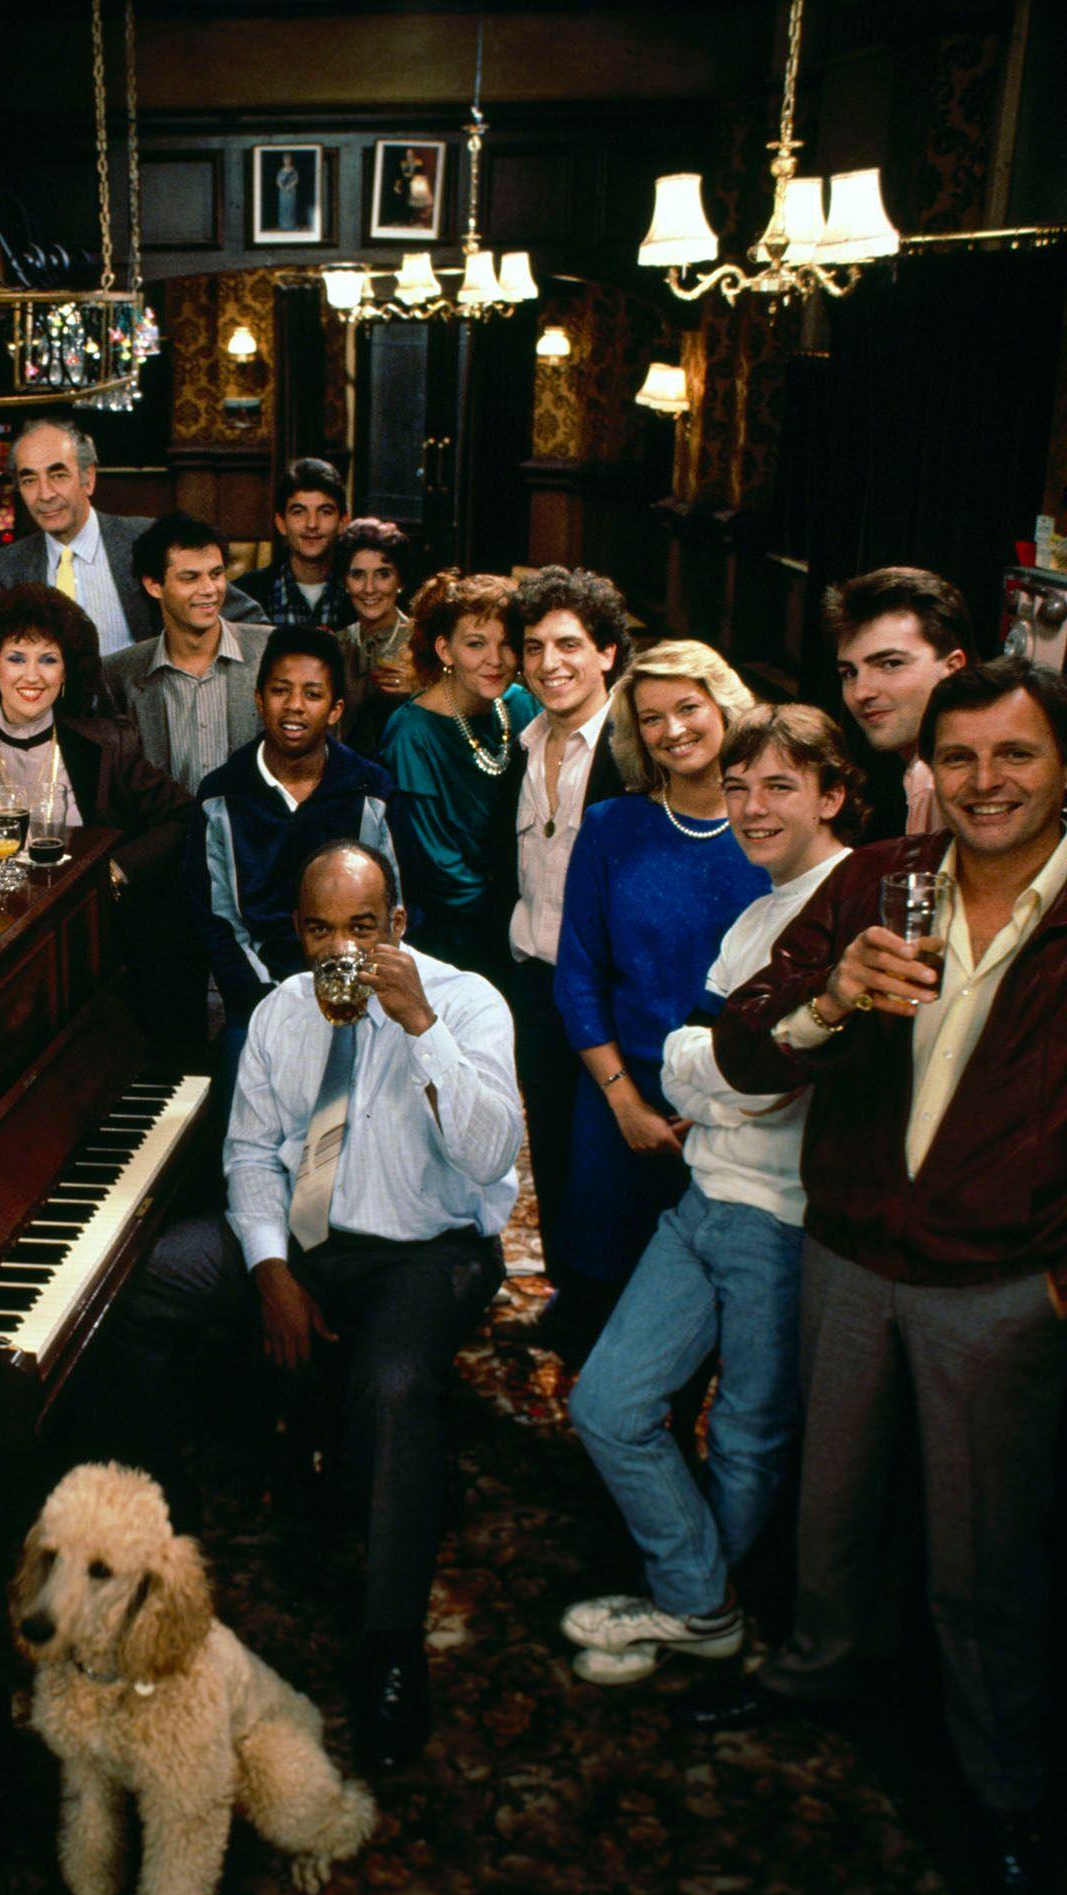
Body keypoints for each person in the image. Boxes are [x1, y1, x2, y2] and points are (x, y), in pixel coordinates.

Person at [689, 657, 1067, 1895]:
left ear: (1062, 765)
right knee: (832, 1506)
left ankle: (1004, 1791)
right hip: (850, 1249)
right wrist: (833, 999)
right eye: (958, 759)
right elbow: (745, 1041)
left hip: (1004, 1284)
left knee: (983, 1557)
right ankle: (815, 1681)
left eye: (1014, 755)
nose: (984, 782)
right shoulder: (880, 881)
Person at [88, 841, 520, 1773]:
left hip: (425, 1246)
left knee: (396, 1385)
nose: (340, 952)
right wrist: (271, 1271)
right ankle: (171, 1527)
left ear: (397, 926)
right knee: (139, 1283)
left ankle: (392, 1640)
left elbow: (491, 1162)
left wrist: (418, 1027)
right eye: (320, 930)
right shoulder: (284, 1013)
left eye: (361, 929)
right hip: (308, 1239)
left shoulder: (472, 1002)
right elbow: (250, 1155)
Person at [562, 704, 859, 1686]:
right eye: (739, 786)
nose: (751, 805)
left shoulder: (849, 902)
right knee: (607, 1401)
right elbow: (695, 1063)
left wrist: (721, 1072)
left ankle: (703, 1620)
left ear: (833, 792)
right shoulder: (759, 910)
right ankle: (703, 1601)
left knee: (747, 1436)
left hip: (779, 1217)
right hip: (701, 1196)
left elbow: (753, 1075)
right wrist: (725, 1071)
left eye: (779, 785)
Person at [549, 641, 764, 1357]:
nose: (671, 729)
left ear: (725, 707)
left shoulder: (773, 832)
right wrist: (624, 1105)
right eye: (650, 718)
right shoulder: (613, 825)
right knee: (611, 1304)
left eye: (688, 708)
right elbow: (577, 975)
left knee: (720, 1314)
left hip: (740, 1113)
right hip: (622, 1101)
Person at [0, 585, 197, 1036]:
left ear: (67, 673)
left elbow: (183, 815)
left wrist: (116, 870)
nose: (32, 675)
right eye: (16, 657)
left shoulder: (107, 744)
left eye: (49, 659)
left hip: (83, 944)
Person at [501, 566, 629, 1310]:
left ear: (607, 652)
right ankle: (570, 1296)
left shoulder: (627, 747)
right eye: (535, 646)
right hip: (535, 979)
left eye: (569, 644)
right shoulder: (523, 739)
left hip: (606, 990)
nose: (550, 663)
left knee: (604, 1157)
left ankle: (612, 1312)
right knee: (548, 1145)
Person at [184, 627, 399, 1056]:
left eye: (313, 694)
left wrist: (351, 991)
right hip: (257, 1007)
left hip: (355, 997)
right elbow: (220, 924)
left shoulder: (371, 791)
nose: (295, 706)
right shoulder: (220, 795)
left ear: (336, 709)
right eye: (281, 690)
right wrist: (269, 1005)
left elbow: (393, 912)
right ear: (259, 699)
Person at [379, 569, 539, 987]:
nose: (495, 659)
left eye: (507, 644)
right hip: (455, 935)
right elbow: (438, 868)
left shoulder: (521, 705)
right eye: (475, 644)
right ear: (444, 650)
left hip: (524, 918)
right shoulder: (412, 732)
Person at [0, 418, 263, 652]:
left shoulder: (145, 539)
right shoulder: (5, 568)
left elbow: (247, 619)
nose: (45, 494)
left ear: (88, 479)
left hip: (140, 713)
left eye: (58, 475)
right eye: (30, 480)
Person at [102, 511, 276, 795]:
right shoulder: (118, 675)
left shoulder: (269, 650)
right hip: (168, 835)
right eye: (190, 578)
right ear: (154, 585)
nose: (209, 589)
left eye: (217, 575)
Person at [826, 565, 971, 840]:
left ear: (952, 668)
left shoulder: (931, 779)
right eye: (849, 673)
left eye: (890, 664)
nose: (861, 692)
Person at [234, 458, 354, 630]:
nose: (312, 524)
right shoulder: (245, 595)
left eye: (325, 512)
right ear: (281, 523)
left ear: (343, 522)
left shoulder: (362, 596)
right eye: (299, 512)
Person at [335, 517, 416, 752]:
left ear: (400, 581)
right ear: (345, 583)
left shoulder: (422, 643)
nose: (369, 588)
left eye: (383, 575)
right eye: (358, 575)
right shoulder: (335, 645)